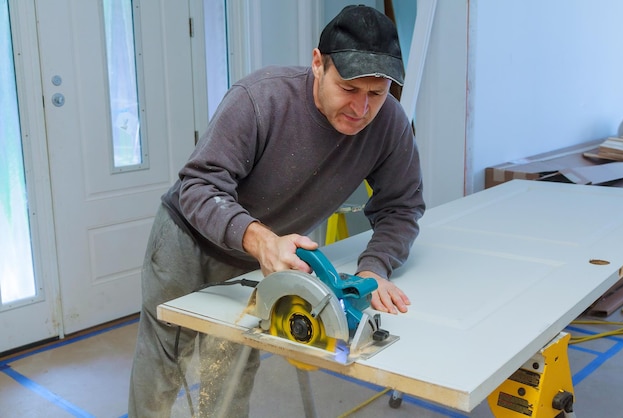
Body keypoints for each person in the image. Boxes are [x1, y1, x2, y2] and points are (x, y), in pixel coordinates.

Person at [128, 4, 425, 417]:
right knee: (165, 366)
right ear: (318, 64)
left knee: (232, 365)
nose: (362, 109)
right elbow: (199, 187)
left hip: (263, 257)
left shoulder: (388, 123)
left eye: (376, 93)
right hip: (190, 241)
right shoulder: (259, 98)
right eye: (349, 89)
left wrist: (375, 266)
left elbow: (402, 205)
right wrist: (261, 240)